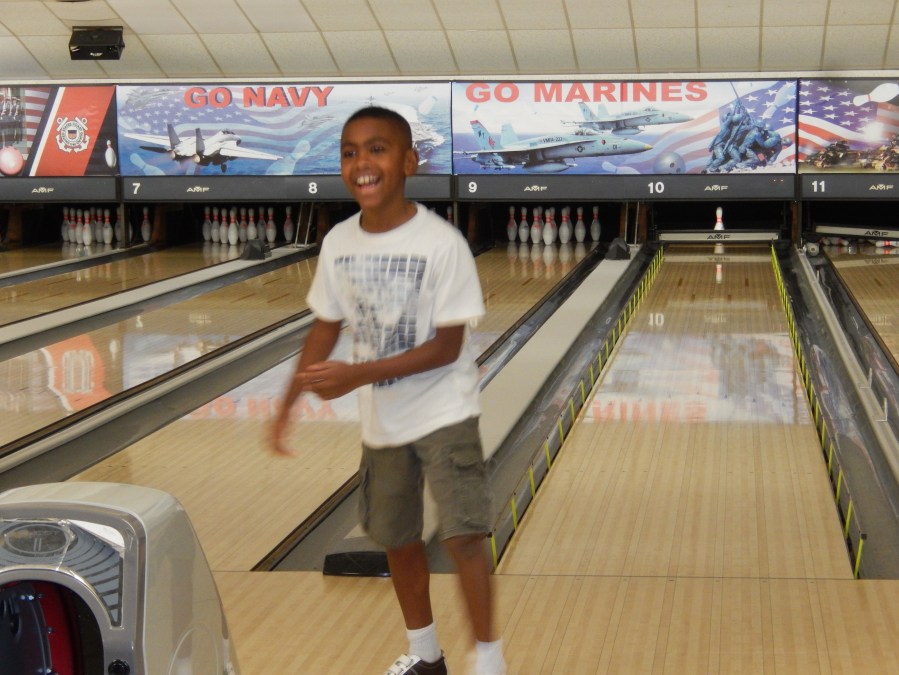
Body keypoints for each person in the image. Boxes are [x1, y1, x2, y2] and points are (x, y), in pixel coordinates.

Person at [270, 105, 507, 675]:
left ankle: (490, 660)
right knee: (398, 539)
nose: (362, 162)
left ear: (408, 161)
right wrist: (286, 405)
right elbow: (325, 325)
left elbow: (446, 348)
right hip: (385, 421)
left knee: (464, 535)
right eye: (349, 152)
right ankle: (426, 655)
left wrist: (355, 375)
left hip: (445, 410)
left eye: (377, 149)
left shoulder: (442, 243)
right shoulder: (338, 242)